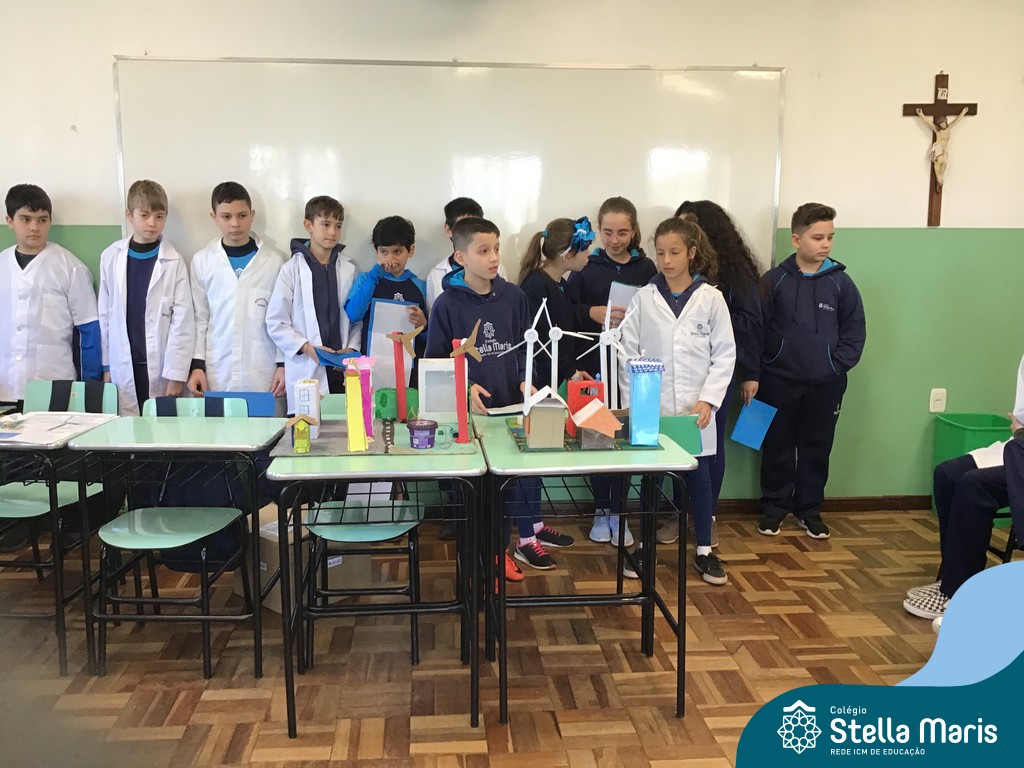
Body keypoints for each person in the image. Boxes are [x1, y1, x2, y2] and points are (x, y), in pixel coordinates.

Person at [425, 217, 574, 578]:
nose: (494, 257)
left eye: (496, 248)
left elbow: (524, 348)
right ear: (461, 257)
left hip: (511, 412)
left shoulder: (514, 297)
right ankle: (482, 557)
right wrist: (465, 388)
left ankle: (507, 548)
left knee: (512, 486)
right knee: (480, 494)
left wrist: (525, 380)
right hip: (472, 421)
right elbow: (434, 363)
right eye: (483, 251)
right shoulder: (446, 304)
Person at [618, 217, 736, 585]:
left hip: (695, 411)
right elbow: (626, 352)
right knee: (651, 479)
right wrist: (634, 402)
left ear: (692, 253)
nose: (666, 261)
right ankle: (644, 548)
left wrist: (709, 400)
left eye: (674, 252)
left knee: (699, 477)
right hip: (651, 409)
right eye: (660, 253)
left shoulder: (711, 299)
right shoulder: (644, 298)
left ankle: (704, 550)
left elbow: (725, 354)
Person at [756, 203, 866, 539]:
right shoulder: (773, 281)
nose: (825, 244)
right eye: (818, 237)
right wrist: (759, 370)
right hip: (777, 382)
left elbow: (854, 332)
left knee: (817, 448)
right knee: (776, 445)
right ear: (796, 239)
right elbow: (756, 329)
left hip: (826, 384)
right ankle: (774, 509)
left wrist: (835, 365)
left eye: (830, 237)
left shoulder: (842, 284)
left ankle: (809, 510)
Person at [662, 201, 763, 546]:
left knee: (709, 448)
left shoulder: (732, 277)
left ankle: (707, 516)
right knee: (675, 442)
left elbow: (750, 327)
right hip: (675, 374)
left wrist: (751, 372)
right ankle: (678, 513)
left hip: (716, 375)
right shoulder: (665, 279)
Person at [566, 196, 658, 548]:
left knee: (624, 436)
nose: (614, 240)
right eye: (607, 232)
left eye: (622, 232)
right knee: (596, 436)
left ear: (634, 231)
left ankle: (620, 513)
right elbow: (564, 311)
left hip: (632, 365)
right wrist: (590, 312)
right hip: (592, 366)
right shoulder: (585, 266)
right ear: (597, 231)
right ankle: (602, 509)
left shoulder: (647, 269)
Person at [904, 355, 1024, 623]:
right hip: (1018, 448)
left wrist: (1020, 433)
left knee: (974, 485)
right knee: (947, 474)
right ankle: (951, 577)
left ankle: (960, 592)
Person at [1, 184, 101, 410]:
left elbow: (88, 331)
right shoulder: (2, 266)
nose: (34, 227)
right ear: (10, 220)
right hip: (5, 385)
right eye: (26, 219)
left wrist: (89, 384)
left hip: (55, 385)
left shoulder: (71, 268)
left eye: (42, 220)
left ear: (50, 221)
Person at [98, 180, 194, 415]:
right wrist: (107, 365)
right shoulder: (111, 257)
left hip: (162, 368)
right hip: (123, 364)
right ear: (129, 215)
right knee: (125, 427)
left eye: (159, 217)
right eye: (144, 215)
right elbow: (105, 315)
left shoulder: (174, 261)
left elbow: (183, 321)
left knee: (162, 428)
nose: (152, 223)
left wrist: (176, 374)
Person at [187, 181, 287, 406]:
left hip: (263, 373)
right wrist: (197, 365)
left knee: (265, 426)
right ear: (214, 217)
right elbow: (200, 318)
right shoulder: (203, 261)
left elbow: (282, 319)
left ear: (252, 215)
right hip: (217, 371)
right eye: (226, 216)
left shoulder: (274, 262)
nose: (235, 223)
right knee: (220, 426)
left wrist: (282, 365)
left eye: (242, 215)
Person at [266, 195, 360, 414]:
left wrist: (352, 348)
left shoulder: (349, 269)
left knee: (344, 426)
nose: (332, 232)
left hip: (341, 369)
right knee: (307, 427)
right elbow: (276, 322)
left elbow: (357, 318)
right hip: (307, 367)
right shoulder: (291, 270)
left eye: (338, 226)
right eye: (325, 224)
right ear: (308, 225)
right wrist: (307, 348)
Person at [344, 215, 427, 379]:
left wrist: (424, 324)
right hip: (371, 367)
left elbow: (428, 335)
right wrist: (375, 276)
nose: (391, 259)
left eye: (397, 251)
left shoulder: (421, 286)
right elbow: (354, 314)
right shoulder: (366, 279)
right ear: (376, 252)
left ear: (410, 250)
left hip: (409, 370)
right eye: (384, 252)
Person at [516, 216, 594, 389]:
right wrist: (571, 372)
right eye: (584, 249)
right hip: (540, 382)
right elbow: (541, 340)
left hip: (558, 376)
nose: (589, 254)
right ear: (566, 255)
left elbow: (565, 337)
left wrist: (575, 370)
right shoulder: (535, 286)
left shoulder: (562, 284)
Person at [424, 197, 507, 310]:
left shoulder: (498, 270)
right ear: (448, 230)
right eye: (463, 226)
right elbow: (433, 315)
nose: (471, 232)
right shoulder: (436, 274)